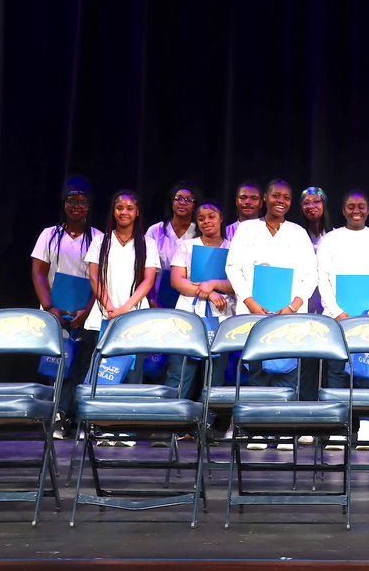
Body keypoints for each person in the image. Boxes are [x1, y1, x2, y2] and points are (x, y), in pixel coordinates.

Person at [225, 179, 318, 450]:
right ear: (265, 198)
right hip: (254, 311)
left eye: (286, 197)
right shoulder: (247, 229)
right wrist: (251, 302)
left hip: (288, 313)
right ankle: (258, 430)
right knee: (257, 373)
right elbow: (233, 268)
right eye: (276, 195)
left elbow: (310, 274)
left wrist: (293, 306)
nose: (281, 201)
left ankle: (286, 429)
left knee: (288, 372)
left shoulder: (298, 232)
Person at [80, 190, 160, 446]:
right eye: (119, 208)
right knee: (105, 370)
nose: (124, 212)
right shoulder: (101, 241)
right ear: (113, 212)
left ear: (137, 212)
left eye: (129, 208)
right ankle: (102, 426)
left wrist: (126, 307)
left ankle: (126, 429)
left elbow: (148, 279)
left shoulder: (147, 243)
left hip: (133, 314)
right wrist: (108, 304)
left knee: (132, 373)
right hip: (105, 313)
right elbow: (95, 276)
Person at [316, 191, 369, 449]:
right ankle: (340, 428)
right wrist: (337, 311)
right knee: (337, 372)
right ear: (343, 210)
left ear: (368, 209)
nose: (356, 210)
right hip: (338, 317)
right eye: (351, 206)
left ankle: (364, 427)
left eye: (361, 206)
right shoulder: (331, 238)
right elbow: (323, 277)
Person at [31, 176, 103, 438]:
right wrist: (50, 307)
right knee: (59, 365)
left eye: (82, 201)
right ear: (63, 203)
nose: (76, 206)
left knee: (83, 365)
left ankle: (78, 416)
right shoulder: (49, 235)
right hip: (55, 310)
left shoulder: (98, 238)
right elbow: (39, 273)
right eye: (71, 201)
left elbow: (101, 279)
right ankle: (58, 416)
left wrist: (87, 309)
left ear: (89, 205)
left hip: (87, 312)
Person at [168, 201, 235, 399]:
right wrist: (208, 292)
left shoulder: (233, 249)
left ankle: (207, 423)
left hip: (221, 317)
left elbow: (238, 284)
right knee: (180, 371)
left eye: (211, 216)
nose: (206, 221)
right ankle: (173, 422)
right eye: (201, 218)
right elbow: (176, 281)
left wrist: (213, 284)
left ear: (221, 218)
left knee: (215, 375)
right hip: (189, 316)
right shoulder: (188, 246)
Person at [294, 186, 332, 405]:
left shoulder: (335, 235)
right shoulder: (295, 235)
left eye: (316, 202)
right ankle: (305, 405)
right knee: (306, 358)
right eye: (306, 202)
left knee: (330, 359)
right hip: (302, 302)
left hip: (329, 303)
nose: (311, 206)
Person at [145, 181, 200, 311]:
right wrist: (151, 299)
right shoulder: (155, 231)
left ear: (195, 205)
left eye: (188, 200)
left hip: (191, 297)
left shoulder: (199, 232)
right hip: (159, 297)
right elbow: (145, 269)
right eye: (178, 198)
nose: (182, 203)